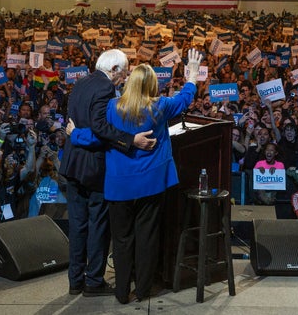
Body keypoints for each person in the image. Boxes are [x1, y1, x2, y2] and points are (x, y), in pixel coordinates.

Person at [67, 48, 202, 304]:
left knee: (121, 239)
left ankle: (121, 293)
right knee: (147, 236)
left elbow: (99, 135)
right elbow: (185, 98)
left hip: (119, 187)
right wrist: (192, 74)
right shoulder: (161, 106)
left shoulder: (111, 107)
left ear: (129, 83)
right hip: (151, 185)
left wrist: (75, 134)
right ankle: (142, 290)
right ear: (152, 85)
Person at [59, 48, 156, 298]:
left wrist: (76, 135)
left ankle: (75, 281)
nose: (124, 79)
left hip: (73, 165)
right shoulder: (104, 88)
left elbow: (77, 125)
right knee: (98, 226)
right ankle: (93, 282)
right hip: (94, 168)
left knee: (78, 226)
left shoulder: (80, 83)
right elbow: (101, 128)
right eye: (123, 73)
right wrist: (130, 140)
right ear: (113, 70)